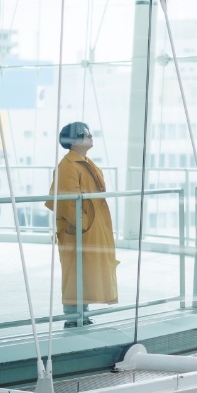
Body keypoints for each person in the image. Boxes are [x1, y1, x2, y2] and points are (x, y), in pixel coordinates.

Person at [46, 122, 119, 327]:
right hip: (78, 229)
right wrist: (84, 224)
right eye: (87, 134)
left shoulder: (85, 163)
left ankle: (82, 315)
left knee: (85, 271)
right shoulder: (68, 166)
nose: (91, 136)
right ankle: (72, 317)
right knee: (74, 272)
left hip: (89, 228)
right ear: (75, 140)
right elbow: (67, 202)